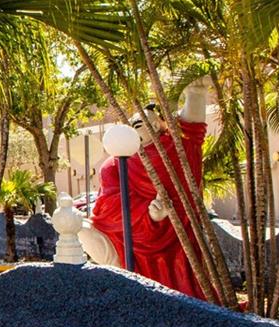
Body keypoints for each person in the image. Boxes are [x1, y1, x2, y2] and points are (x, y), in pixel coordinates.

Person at [79, 84, 208, 299]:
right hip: (128, 238)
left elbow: (193, 130)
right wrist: (147, 214)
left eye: (145, 122)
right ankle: (120, 278)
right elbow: (108, 206)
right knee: (81, 229)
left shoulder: (178, 149)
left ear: (159, 125)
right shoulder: (114, 165)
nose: (139, 127)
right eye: (135, 124)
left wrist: (196, 94)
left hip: (177, 237)